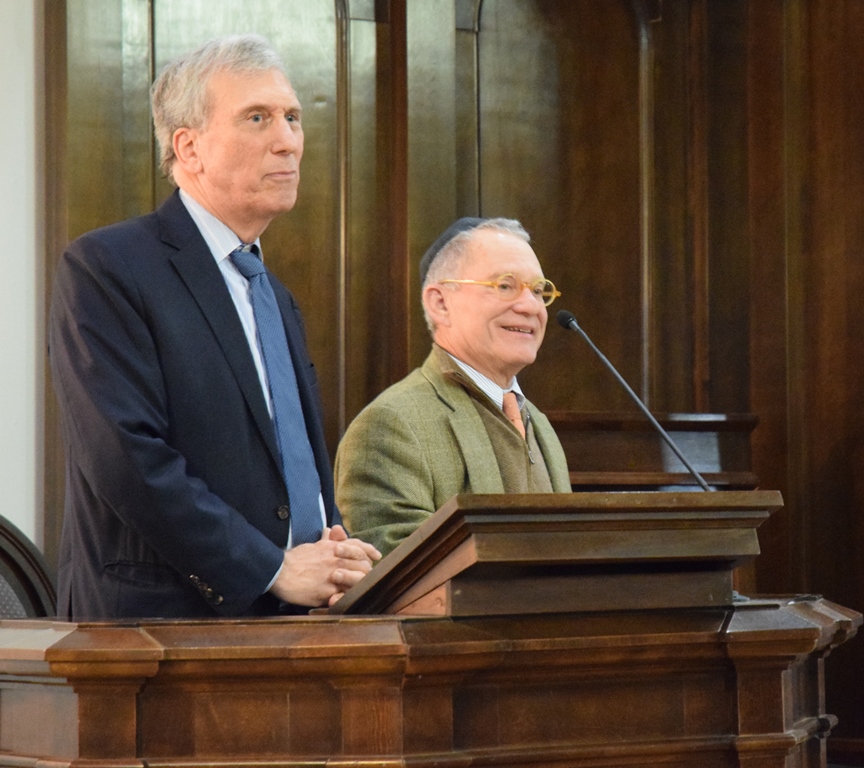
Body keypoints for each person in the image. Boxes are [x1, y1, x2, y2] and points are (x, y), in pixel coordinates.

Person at [49, 34, 380, 621]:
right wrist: (271, 569)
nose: (287, 140)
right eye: (257, 118)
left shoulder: (274, 294)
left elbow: (286, 461)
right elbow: (126, 458)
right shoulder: (108, 266)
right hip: (159, 629)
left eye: (292, 117)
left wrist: (332, 545)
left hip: (294, 623)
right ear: (189, 147)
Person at [334, 217, 572, 556]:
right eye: (505, 286)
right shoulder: (391, 425)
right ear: (441, 304)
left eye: (537, 290)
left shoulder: (539, 423)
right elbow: (400, 574)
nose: (530, 306)